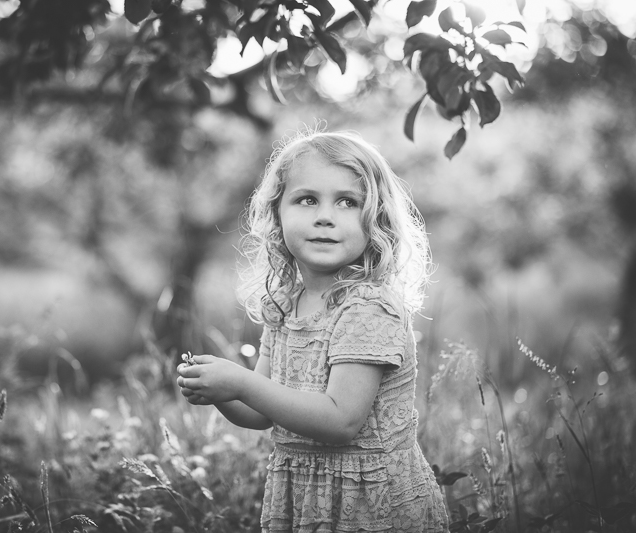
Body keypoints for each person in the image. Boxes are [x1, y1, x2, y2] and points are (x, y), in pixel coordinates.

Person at [176, 128, 449, 532]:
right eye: (307, 199)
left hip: (371, 504)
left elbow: (340, 422)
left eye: (347, 202)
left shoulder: (368, 309)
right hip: (306, 497)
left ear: (376, 218)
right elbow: (260, 410)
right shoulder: (285, 306)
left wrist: (240, 382)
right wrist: (220, 391)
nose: (325, 215)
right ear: (277, 214)